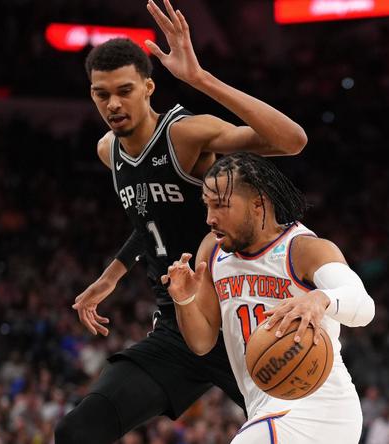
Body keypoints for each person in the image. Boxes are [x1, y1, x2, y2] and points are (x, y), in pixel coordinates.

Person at [54, 0, 307, 442]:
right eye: (101, 94)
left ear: (149, 87)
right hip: (180, 326)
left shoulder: (183, 133)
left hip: (241, 319)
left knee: (303, 436)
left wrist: (200, 79)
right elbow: (151, 219)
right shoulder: (108, 151)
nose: (113, 103)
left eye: (125, 90)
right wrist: (111, 276)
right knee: (79, 430)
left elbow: (291, 140)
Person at [163, 152, 376, 443]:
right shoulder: (212, 251)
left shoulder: (302, 249)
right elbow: (201, 343)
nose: (210, 218)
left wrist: (320, 299)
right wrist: (184, 300)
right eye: (207, 205)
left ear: (258, 203)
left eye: (221, 205)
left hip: (319, 406)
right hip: (264, 408)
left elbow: (364, 307)